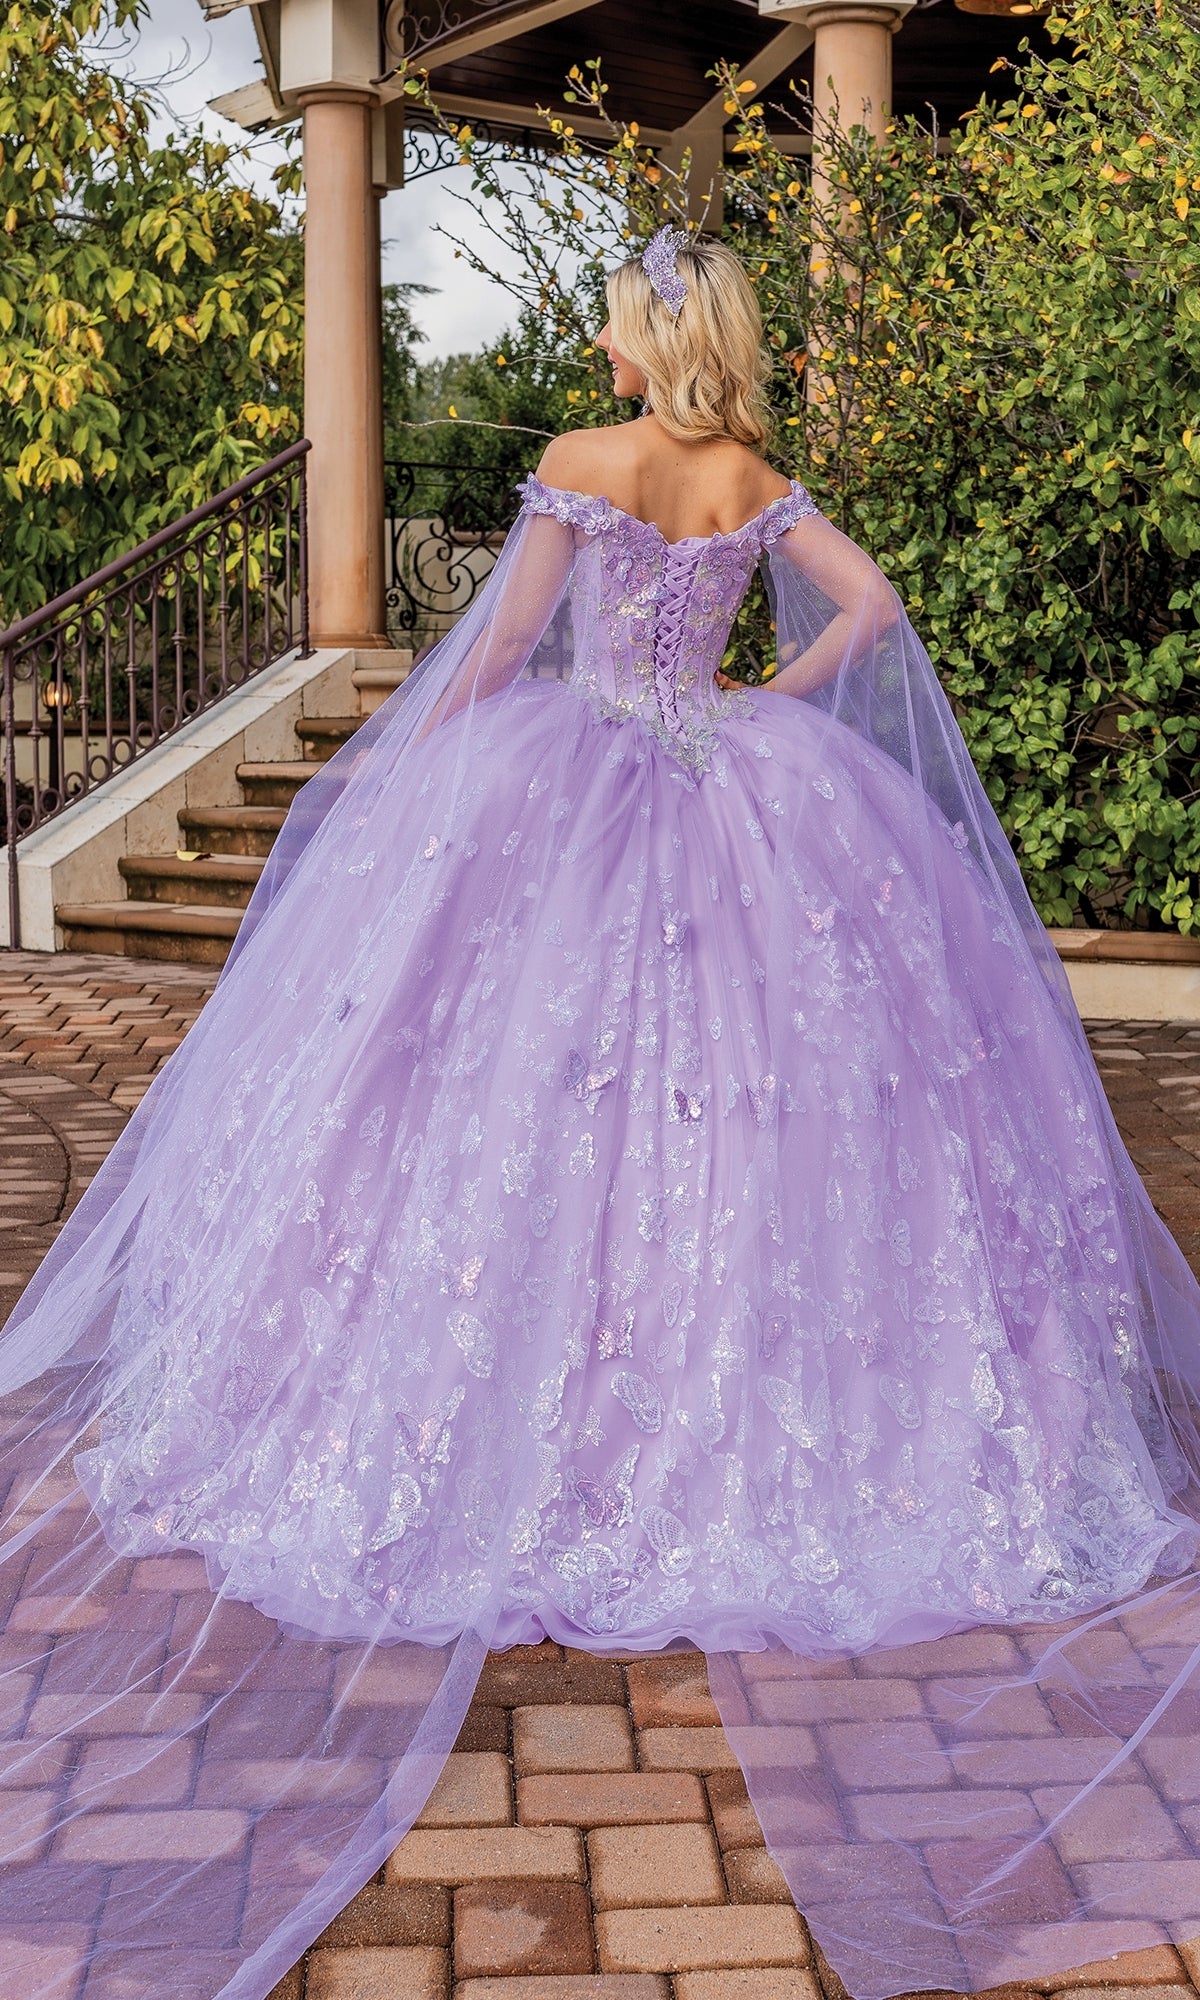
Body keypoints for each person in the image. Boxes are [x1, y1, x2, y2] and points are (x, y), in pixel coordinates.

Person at [2, 227, 1200, 2000]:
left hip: (568, 788)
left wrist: (408, 768)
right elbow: (873, 610)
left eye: (616, 322)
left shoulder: (581, 463)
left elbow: (494, 654)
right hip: (730, 780)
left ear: (645, 340)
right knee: (753, 1123)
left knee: (510, 1101)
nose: (603, 340)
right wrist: (752, 710)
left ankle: (537, 1427)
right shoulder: (754, 478)